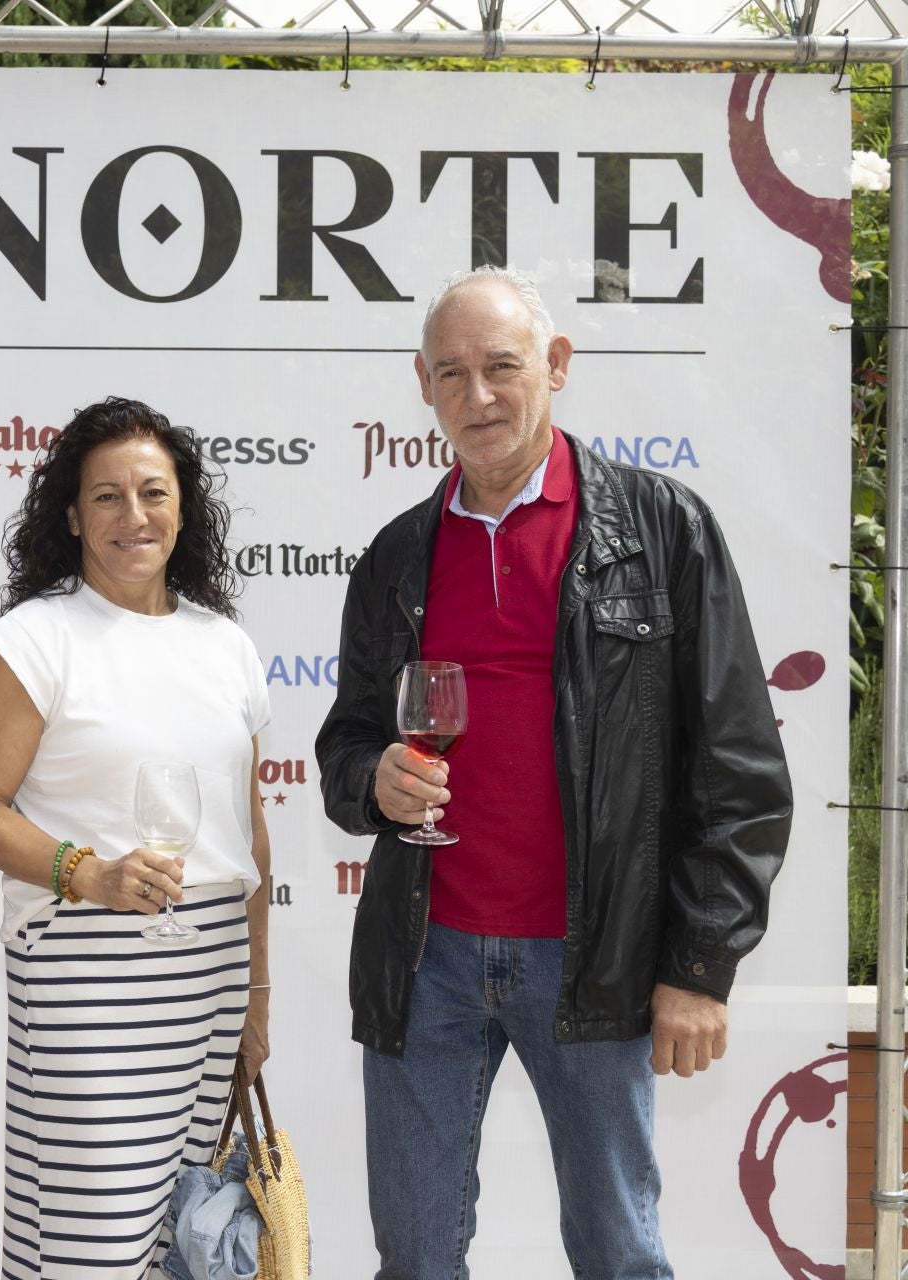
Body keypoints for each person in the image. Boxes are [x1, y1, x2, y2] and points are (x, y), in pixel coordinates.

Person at [315, 265, 792, 1278]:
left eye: (501, 366)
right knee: (414, 1253)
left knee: (619, 1250)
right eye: (451, 373)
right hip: (426, 954)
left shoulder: (664, 531)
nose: (477, 397)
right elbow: (347, 743)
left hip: (597, 956)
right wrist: (374, 782)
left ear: (558, 365)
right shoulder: (397, 555)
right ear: (423, 385)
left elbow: (740, 767)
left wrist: (699, 963)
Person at [0, 396, 274, 1280]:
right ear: (70, 514)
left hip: (210, 968)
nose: (134, 516)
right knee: (93, 1243)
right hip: (89, 967)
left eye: (153, 492)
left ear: (184, 506)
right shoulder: (33, 641)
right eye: (106, 497)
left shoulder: (226, 647)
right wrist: (86, 874)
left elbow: (250, 836)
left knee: (183, 1238)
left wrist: (257, 993)